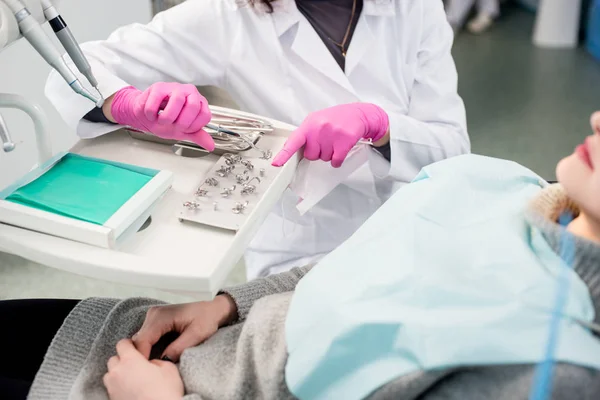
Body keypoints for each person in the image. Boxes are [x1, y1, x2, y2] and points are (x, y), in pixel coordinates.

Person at [2, 112, 600, 400]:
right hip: (185, 341)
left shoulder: (552, 372)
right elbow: (364, 264)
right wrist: (228, 302)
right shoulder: (514, 193)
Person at [45, 0, 470, 279]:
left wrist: (381, 127)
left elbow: (454, 149)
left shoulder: (413, 8)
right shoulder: (226, 16)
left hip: (417, 235)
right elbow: (74, 67)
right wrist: (127, 102)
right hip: (303, 253)